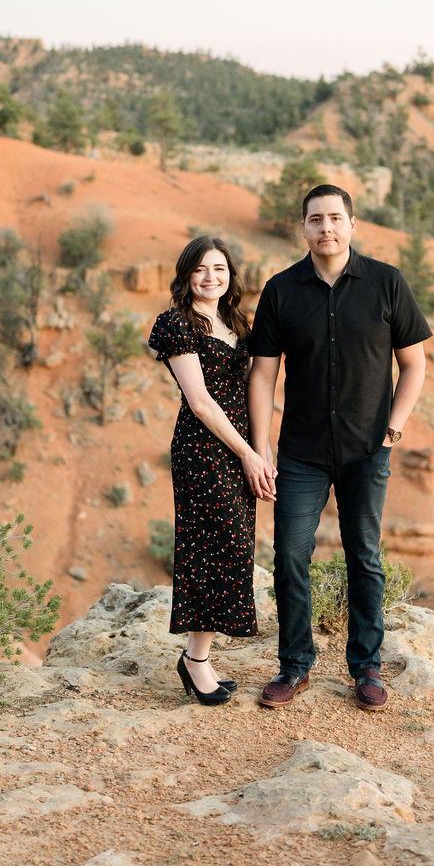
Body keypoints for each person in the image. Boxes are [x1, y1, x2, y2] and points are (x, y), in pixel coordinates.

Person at [248, 184, 431, 711]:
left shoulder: (387, 283)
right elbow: (262, 374)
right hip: (300, 453)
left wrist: (393, 429)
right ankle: (294, 666)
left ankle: (366, 668)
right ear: (303, 228)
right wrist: (261, 447)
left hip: (367, 450)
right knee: (290, 555)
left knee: (364, 556)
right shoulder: (281, 290)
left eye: (334, 218)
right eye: (315, 219)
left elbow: (414, 364)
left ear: (353, 224)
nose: (325, 227)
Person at [146, 235, 277, 706]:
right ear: (186, 276)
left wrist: (263, 449)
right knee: (213, 545)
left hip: (240, 447)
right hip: (203, 450)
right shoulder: (177, 324)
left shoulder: (236, 322)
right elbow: (200, 402)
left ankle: (199, 654)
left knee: (234, 545)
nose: (210, 277)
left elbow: (253, 389)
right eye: (200, 268)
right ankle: (195, 659)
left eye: (219, 268)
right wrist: (248, 454)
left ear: (230, 276)